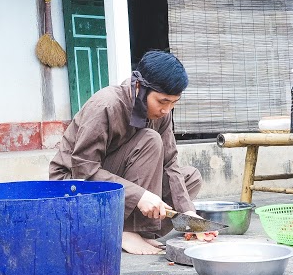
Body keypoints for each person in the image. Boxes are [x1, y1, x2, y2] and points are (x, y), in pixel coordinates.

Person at [49, 50, 202, 255]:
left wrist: (189, 214)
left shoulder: (162, 113)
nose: (167, 110)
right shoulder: (106, 105)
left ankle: (142, 231)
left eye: (173, 103)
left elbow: (170, 163)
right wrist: (139, 195)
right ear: (139, 87)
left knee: (190, 177)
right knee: (150, 141)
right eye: (162, 101)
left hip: (117, 182)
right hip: (73, 184)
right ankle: (123, 231)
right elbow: (83, 170)